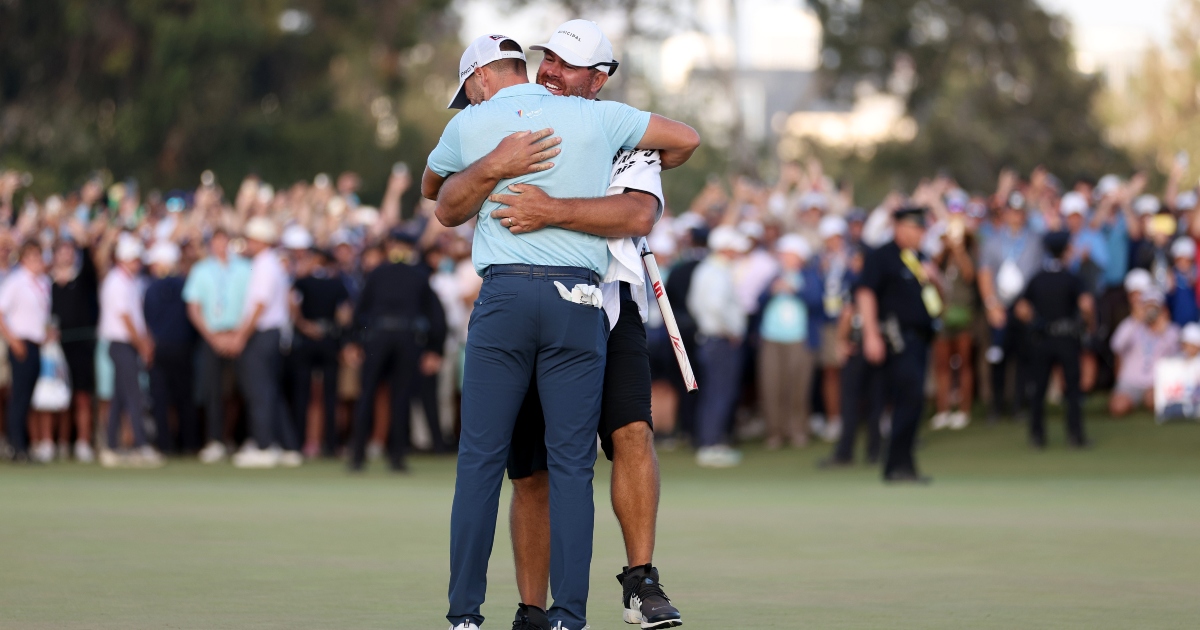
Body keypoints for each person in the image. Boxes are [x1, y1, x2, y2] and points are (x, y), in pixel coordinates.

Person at [421, 32, 698, 630]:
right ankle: (550, 614)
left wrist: (546, 204)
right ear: (527, 65)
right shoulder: (606, 121)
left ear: (597, 78)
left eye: (565, 63)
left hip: (589, 303)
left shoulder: (605, 125)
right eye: (546, 58)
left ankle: (629, 584)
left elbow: (638, 213)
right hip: (574, 302)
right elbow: (685, 139)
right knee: (547, 468)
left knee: (599, 440)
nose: (551, 70)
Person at [345, 230, 445, 471]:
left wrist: (353, 341)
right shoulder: (420, 275)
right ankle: (396, 457)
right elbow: (436, 316)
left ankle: (358, 457)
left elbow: (359, 310)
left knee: (367, 393)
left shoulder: (377, 273)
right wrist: (434, 348)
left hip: (377, 337)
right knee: (401, 397)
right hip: (407, 338)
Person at [857, 206, 939, 483]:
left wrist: (936, 278)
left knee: (915, 400)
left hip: (921, 338)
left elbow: (938, 300)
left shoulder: (920, 259)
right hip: (895, 338)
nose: (920, 234)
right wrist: (871, 334)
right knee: (907, 395)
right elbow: (866, 294)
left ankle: (903, 464)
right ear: (900, 228)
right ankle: (895, 465)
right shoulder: (882, 256)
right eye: (916, 228)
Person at [229, 218, 300, 468]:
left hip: (263, 334)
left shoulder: (264, 265)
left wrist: (240, 335)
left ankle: (264, 445)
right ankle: (287, 446)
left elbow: (259, 305)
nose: (247, 243)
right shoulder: (269, 263)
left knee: (259, 391)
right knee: (270, 391)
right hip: (271, 334)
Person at [1015, 231, 1094, 449]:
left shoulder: (1038, 277)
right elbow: (1086, 305)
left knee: (1038, 388)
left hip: (1042, 339)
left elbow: (1021, 308)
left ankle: (1037, 436)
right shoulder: (1072, 277)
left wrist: (1037, 321)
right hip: (1067, 338)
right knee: (1072, 389)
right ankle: (1075, 435)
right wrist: (1086, 323)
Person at [183, 229, 252, 463]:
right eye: (216, 242)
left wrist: (238, 335)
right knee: (212, 391)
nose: (220, 246)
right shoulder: (201, 270)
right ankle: (215, 440)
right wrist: (213, 337)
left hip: (240, 335)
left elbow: (253, 304)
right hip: (212, 335)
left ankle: (249, 438)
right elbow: (194, 308)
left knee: (248, 389)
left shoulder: (244, 267)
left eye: (224, 241)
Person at [977, 192, 1044, 421]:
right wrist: (991, 305)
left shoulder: (1034, 240)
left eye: (1020, 211)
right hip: (1000, 306)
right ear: (1005, 213)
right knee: (998, 357)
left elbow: (1038, 274)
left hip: (1024, 306)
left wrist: (1030, 303)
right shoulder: (993, 240)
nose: (1016, 216)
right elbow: (985, 274)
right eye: (1012, 211)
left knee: (1024, 357)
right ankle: (996, 406)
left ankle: (1019, 405)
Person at [98, 234, 162, 468]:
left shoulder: (129, 281)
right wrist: (141, 343)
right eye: (134, 259)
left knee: (119, 397)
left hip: (127, 344)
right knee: (133, 394)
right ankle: (140, 445)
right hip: (121, 344)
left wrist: (145, 339)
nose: (138, 263)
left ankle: (111, 446)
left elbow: (136, 317)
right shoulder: (116, 281)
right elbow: (125, 319)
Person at [688, 225, 749, 467]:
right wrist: (730, 330)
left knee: (715, 392)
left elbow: (695, 304)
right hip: (719, 340)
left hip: (710, 338)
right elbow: (715, 305)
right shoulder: (717, 271)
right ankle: (710, 445)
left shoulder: (708, 269)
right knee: (719, 393)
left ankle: (710, 441)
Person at [756, 234, 822, 448]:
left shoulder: (809, 276)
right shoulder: (774, 276)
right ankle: (774, 432)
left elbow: (816, 301)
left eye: (788, 254)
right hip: (771, 338)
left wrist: (795, 290)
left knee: (798, 387)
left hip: (799, 339)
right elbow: (759, 301)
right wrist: (772, 291)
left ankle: (797, 430)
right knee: (772, 385)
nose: (784, 257)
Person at [290, 246, 350, 458]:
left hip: (306, 340)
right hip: (329, 339)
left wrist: (303, 325)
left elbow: (292, 304)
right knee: (330, 394)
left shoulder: (302, 281)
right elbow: (344, 314)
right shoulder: (337, 283)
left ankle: (297, 442)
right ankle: (331, 445)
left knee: (302, 394)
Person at [143, 241, 197, 454]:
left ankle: (165, 445)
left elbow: (146, 319)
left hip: (161, 348)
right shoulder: (185, 283)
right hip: (183, 348)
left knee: (161, 399)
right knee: (185, 399)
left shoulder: (151, 288)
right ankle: (189, 444)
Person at [0, 242, 51, 463]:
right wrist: (13, 341)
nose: (37, 261)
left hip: (37, 343)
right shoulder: (16, 281)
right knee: (18, 396)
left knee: (29, 397)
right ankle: (17, 445)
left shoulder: (43, 282)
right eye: (32, 257)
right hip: (21, 343)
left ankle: (24, 443)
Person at [49, 239, 99, 463]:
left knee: (82, 396)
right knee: (56, 397)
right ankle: (58, 442)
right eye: (62, 251)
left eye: (71, 251)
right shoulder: (47, 284)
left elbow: (91, 269)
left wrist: (85, 240)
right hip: (55, 349)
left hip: (81, 347)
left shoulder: (83, 281)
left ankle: (82, 442)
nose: (66, 255)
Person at [930, 206, 975, 430]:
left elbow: (969, 274)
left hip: (964, 314)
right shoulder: (942, 255)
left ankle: (963, 410)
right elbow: (930, 271)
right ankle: (943, 409)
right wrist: (944, 248)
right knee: (942, 365)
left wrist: (958, 250)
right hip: (943, 315)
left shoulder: (969, 252)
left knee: (964, 364)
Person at [1109, 288, 1179, 416]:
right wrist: (1134, 320)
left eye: (1155, 307)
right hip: (1129, 382)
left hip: (1154, 383)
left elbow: (1175, 355)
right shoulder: (1132, 325)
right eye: (1148, 306)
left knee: (1153, 401)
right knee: (1118, 407)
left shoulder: (1170, 330)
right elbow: (1116, 345)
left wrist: (1163, 331)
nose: (1151, 312)